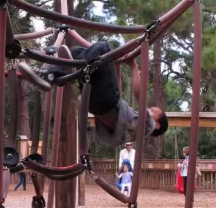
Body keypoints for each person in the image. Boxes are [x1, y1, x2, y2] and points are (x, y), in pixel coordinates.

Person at [40, 41, 168, 148]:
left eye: (152, 110)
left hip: (105, 102)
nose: (149, 109)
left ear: (157, 124)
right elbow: (118, 94)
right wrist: (116, 65)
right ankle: (57, 73)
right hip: (95, 102)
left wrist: (134, 66)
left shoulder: (148, 126)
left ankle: (53, 72)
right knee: (78, 52)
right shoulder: (134, 127)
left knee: (103, 47)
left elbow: (140, 97)